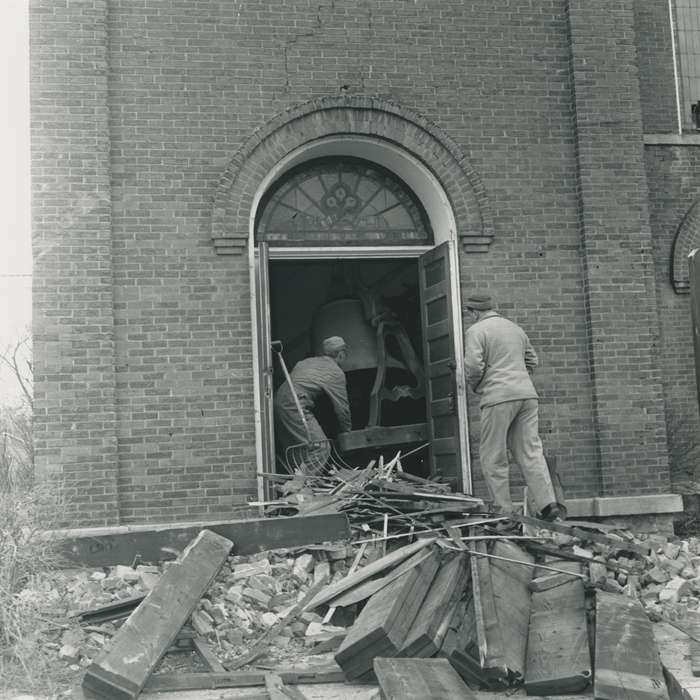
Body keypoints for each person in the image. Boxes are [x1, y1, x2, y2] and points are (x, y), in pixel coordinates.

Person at [463, 293, 563, 522]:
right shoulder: (515, 328)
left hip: (497, 397)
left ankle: (504, 511)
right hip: (527, 395)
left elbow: (472, 366)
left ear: (474, 312)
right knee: (530, 451)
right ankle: (549, 504)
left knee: (493, 455)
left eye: (470, 314)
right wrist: (518, 378)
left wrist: (478, 386)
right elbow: (533, 361)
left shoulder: (476, 331)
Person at [274, 336, 352, 474]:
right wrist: (347, 431)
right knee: (321, 447)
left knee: (300, 448)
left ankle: (299, 483)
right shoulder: (336, 372)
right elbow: (342, 408)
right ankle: (301, 485)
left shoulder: (306, 362)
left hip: (279, 401)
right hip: (294, 405)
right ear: (341, 354)